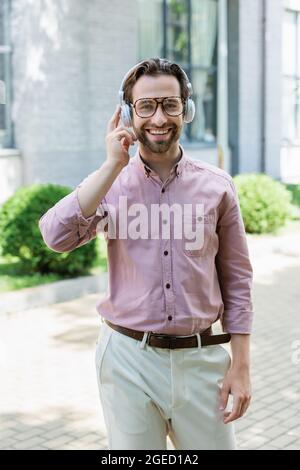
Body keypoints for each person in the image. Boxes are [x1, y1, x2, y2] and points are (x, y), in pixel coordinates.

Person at [39, 58, 253, 450]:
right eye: (146, 106)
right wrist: (111, 166)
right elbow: (55, 235)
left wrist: (241, 366)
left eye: (170, 104)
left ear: (185, 110)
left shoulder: (218, 187)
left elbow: (237, 280)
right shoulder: (110, 184)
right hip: (127, 361)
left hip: (202, 359)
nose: (159, 117)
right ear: (128, 113)